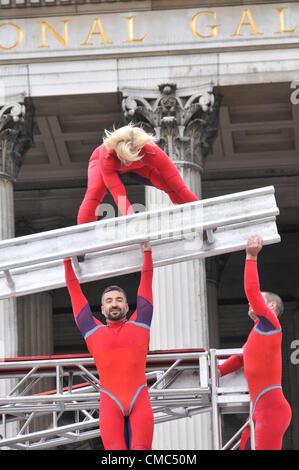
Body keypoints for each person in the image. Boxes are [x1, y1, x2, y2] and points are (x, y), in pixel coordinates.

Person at [63, 241, 154, 450]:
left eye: (119, 300)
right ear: (102, 309)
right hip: (109, 403)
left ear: (127, 306)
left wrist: (147, 251)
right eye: (110, 300)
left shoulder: (141, 322)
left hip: (139, 400)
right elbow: (75, 293)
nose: (114, 303)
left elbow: (146, 283)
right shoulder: (92, 330)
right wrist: (66, 261)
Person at [218, 235, 291, 450]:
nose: (252, 301)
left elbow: (251, 290)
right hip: (259, 408)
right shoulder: (257, 333)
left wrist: (251, 257)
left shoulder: (271, 324)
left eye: (258, 299)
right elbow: (241, 358)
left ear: (270, 304)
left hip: (271, 408)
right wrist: (217, 372)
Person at [77, 123, 199, 224]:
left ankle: (195, 218)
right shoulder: (106, 157)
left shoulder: (151, 151)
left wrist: (201, 213)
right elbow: (120, 195)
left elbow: (179, 186)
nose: (126, 162)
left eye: (130, 157)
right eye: (123, 157)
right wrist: (133, 223)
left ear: (139, 149)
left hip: (138, 166)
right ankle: (81, 239)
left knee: (168, 184)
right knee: (95, 191)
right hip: (103, 165)